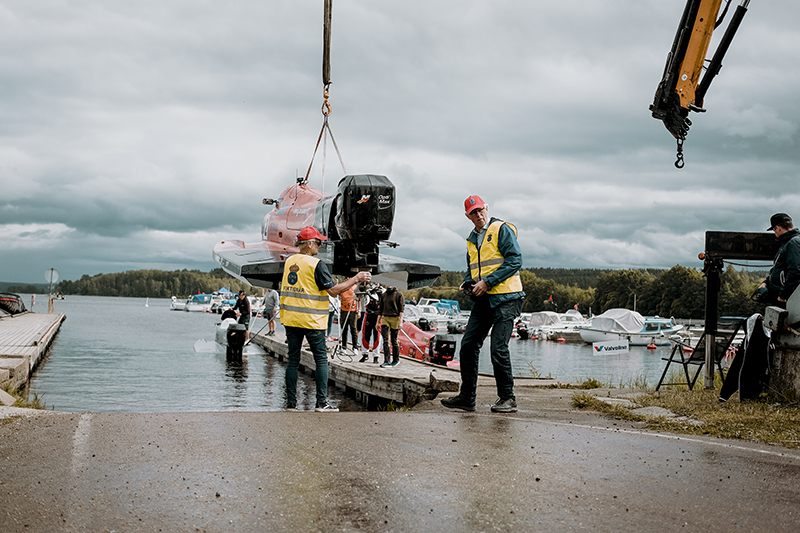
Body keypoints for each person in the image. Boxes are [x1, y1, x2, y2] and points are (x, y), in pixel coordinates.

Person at [441, 195, 525, 413]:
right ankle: (467, 398)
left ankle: (508, 398)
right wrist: (468, 282)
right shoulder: (471, 239)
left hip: (507, 297)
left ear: (486, 208)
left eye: (480, 210)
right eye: (473, 212)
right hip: (483, 299)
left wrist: (487, 282)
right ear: (467, 216)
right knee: (468, 346)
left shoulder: (501, 229)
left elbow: (515, 260)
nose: (478, 215)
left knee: (498, 347)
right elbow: (475, 268)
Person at [280, 226, 372, 412]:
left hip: (291, 319)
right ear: (310, 243)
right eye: (318, 242)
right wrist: (356, 279)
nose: (320, 246)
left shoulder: (290, 262)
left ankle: (291, 403)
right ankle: (321, 403)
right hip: (312, 320)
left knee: (293, 360)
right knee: (321, 360)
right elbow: (333, 290)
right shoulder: (316, 264)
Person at [759, 213, 800, 308]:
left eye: (774, 230)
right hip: (782, 295)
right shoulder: (787, 243)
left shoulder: (793, 243)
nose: (775, 233)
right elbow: (779, 268)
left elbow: (796, 271)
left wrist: (782, 296)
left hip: (787, 298)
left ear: (778, 228)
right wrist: (766, 282)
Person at [377, 285, 404, 367]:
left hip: (395, 318)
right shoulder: (384, 295)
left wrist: (400, 321)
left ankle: (396, 359)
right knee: (386, 340)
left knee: (394, 340)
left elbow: (401, 309)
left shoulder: (399, 294)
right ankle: (386, 360)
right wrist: (377, 322)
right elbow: (380, 309)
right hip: (385, 318)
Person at [360, 289, 381, 363]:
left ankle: (376, 356)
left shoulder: (382, 292)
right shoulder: (367, 291)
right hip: (368, 314)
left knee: (377, 336)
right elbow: (357, 293)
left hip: (377, 316)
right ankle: (365, 354)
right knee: (366, 334)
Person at [339, 285, 359, 352]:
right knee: (344, 329)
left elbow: (359, 299)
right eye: (346, 277)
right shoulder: (343, 286)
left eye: (349, 277)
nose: (347, 278)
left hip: (352, 310)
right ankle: (344, 347)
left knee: (353, 329)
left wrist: (359, 311)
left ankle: (355, 347)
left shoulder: (356, 287)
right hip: (343, 309)